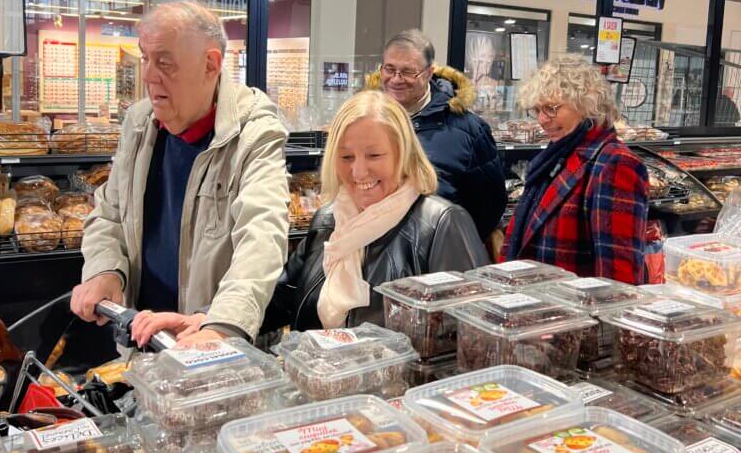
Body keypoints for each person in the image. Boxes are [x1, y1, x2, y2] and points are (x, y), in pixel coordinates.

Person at [70, 0, 290, 347]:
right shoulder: (139, 123)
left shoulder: (254, 133)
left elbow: (261, 237)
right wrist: (105, 269)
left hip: (213, 348)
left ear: (210, 64)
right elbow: (110, 213)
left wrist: (221, 325)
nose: (147, 75)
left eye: (164, 62)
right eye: (145, 58)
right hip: (142, 341)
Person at [261, 91, 486, 336]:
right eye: (346, 157)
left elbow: (467, 333)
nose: (358, 172)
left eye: (374, 155)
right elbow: (279, 297)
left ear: (403, 153)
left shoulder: (442, 224)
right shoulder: (328, 221)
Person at [503, 54, 649, 283]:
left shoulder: (615, 163)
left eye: (551, 108)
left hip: (574, 304)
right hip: (537, 299)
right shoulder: (556, 156)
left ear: (587, 103)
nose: (542, 120)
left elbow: (618, 281)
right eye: (537, 110)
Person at [366, 29, 506, 240]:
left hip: (438, 254)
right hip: (370, 247)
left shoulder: (469, 131)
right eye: (390, 69)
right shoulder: (363, 120)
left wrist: (449, 243)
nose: (396, 79)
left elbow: (488, 206)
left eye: (408, 71)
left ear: (429, 73)